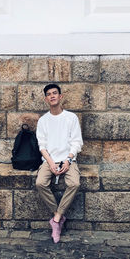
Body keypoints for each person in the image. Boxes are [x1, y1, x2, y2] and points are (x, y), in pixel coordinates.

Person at [35, 83, 83, 243]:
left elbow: (77, 142)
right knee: (40, 183)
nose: (52, 96)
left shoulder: (71, 118)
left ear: (60, 96)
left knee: (74, 183)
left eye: (55, 93)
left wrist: (68, 160)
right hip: (49, 159)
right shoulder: (43, 121)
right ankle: (59, 216)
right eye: (49, 94)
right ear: (46, 99)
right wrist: (50, 163)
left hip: (68, 159)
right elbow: (42, 146)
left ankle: (56, 219)